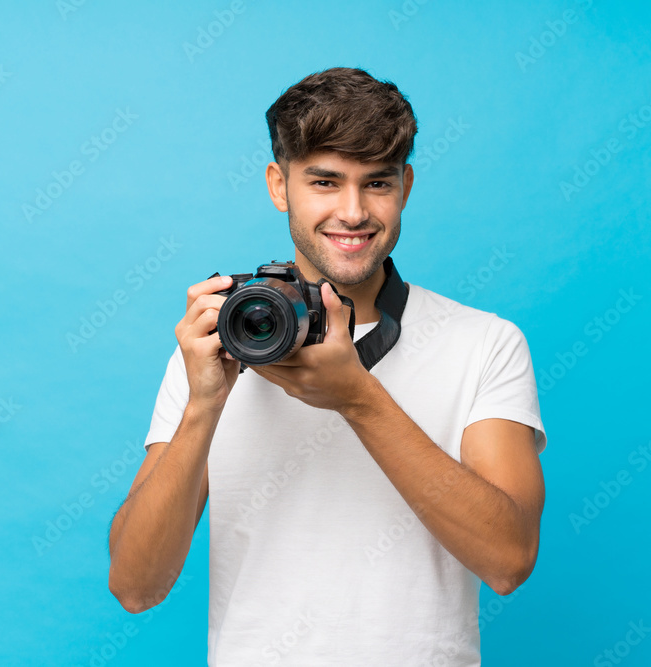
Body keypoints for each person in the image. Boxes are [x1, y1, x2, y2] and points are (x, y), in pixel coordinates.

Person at [107, 66, 547, 666]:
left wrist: (358, 398)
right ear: (278, 186)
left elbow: (509, 558)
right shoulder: (217, 344)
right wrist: (204, 403)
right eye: (324, 181)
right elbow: (136, 586)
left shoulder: (484, 343)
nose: (353, 212)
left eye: (377, 184)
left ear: (406, 187)